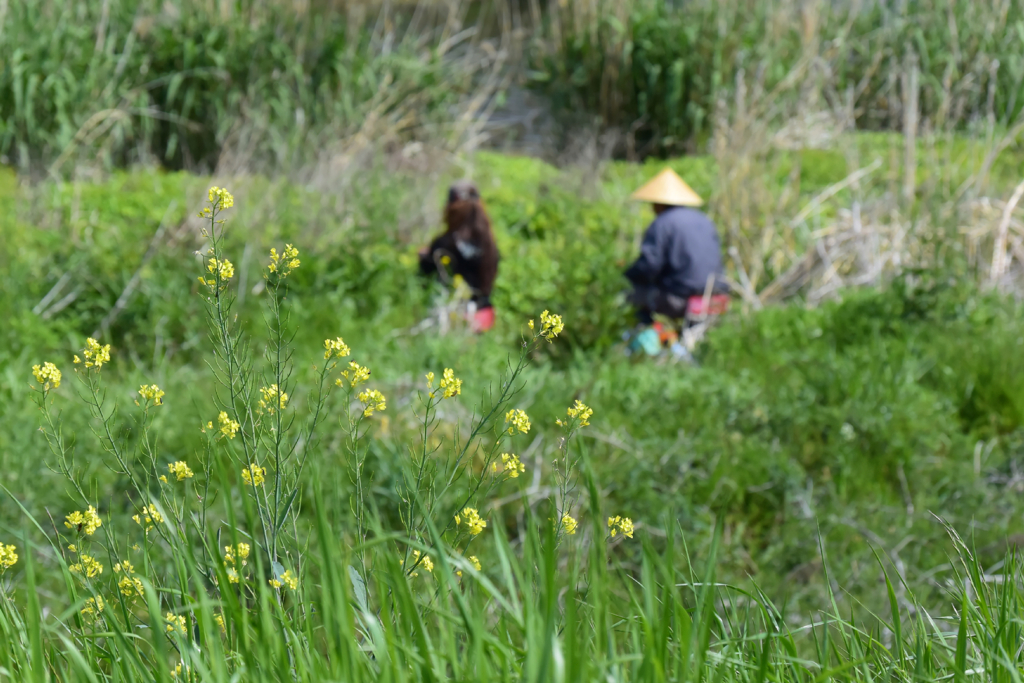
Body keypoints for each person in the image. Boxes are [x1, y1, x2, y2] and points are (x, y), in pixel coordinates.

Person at [624, 168, 729, 327]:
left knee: (630, 294)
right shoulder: (704, 220)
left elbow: (649, 265)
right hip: (716, 295)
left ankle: (646, 335)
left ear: (659, 203)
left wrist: (625, 277)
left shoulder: (662, 223)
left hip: (682, 299)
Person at [418, 180, 500, 332]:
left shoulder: (444, 244)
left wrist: (424, 259)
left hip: (454, 317)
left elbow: (426, 278)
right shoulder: (490, 245)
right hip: (484, 316)